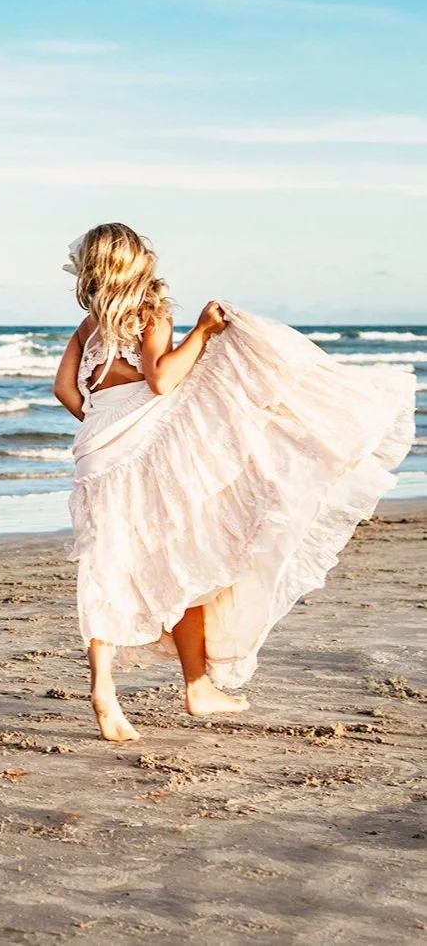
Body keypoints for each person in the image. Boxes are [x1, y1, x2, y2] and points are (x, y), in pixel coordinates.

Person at [52, 222, 414, 743]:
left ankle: (124, 692)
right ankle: (186, 687)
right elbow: (161, 380)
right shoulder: (152, 312)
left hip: (96, 454)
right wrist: (201, 331)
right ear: (138, 262)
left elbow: (65, 388)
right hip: (144, 454)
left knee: (112, 567)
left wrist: (101, 426)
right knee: (182, 558)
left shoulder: (90, 326)